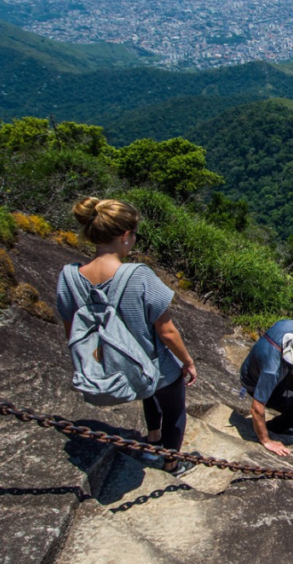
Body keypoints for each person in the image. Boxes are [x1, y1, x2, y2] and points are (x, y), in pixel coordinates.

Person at [56, 197, 197, 476]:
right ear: (124, 236)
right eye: (134, 234)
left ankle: (152, 438)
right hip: (154, 366)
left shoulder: (69, 277)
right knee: (174, 410)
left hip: (113, 366)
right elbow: (167, 332)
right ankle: (172, 463)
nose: (134, 240)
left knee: (149, 393)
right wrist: (187, 362)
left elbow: (72, 330)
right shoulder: (138, 275)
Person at [239, 319, 293, 456]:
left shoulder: (289, 326)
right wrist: (266, 440)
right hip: (254, 383)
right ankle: (275, 426)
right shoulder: (272, 371)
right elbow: (256, 408)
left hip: (253, 367)